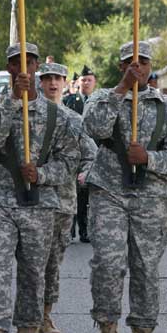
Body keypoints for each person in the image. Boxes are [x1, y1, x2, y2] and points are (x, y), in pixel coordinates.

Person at [0, 43, 80, 333]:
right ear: (8, 67)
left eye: (29, 63)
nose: (23, 69)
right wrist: (12, 102)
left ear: (35, 66)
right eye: (16, 63)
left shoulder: (56, 114)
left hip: (40, 204)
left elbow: (71, 160)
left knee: (34, 277)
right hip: (1, 199)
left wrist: (43, 174)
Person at [81, 41, 167, 333]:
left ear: (151, 66)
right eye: (130, 62)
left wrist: (150, 158)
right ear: (121, 66)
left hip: (151, 200)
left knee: (145, 272)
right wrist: (122, 90)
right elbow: (93, 129)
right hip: (110, 194)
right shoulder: (102, 99)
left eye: (142, 62)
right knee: (107, 266)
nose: (137, 67)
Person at [35, 62, 97, 333]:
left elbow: (90, 152)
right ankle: (28, 317)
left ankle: (45, 315)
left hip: (62, 201)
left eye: (57, 78)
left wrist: (85, 172)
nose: (52, 83)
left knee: (52, 264)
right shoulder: (26, 113)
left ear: (64, 83)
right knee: (30, 265)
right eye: (46, 78)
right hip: (30, 203)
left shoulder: (73, 118)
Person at [63, 65, 97, 242]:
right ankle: (70, 230)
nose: (86, 83)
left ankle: (85, 230)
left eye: (89, 80)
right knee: (73, 193)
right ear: (78, 82)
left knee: (86, 196)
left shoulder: (99, 102)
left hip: (92, 155)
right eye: (83, 80)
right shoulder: (71, 100)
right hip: (74, 153)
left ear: (94, 82)